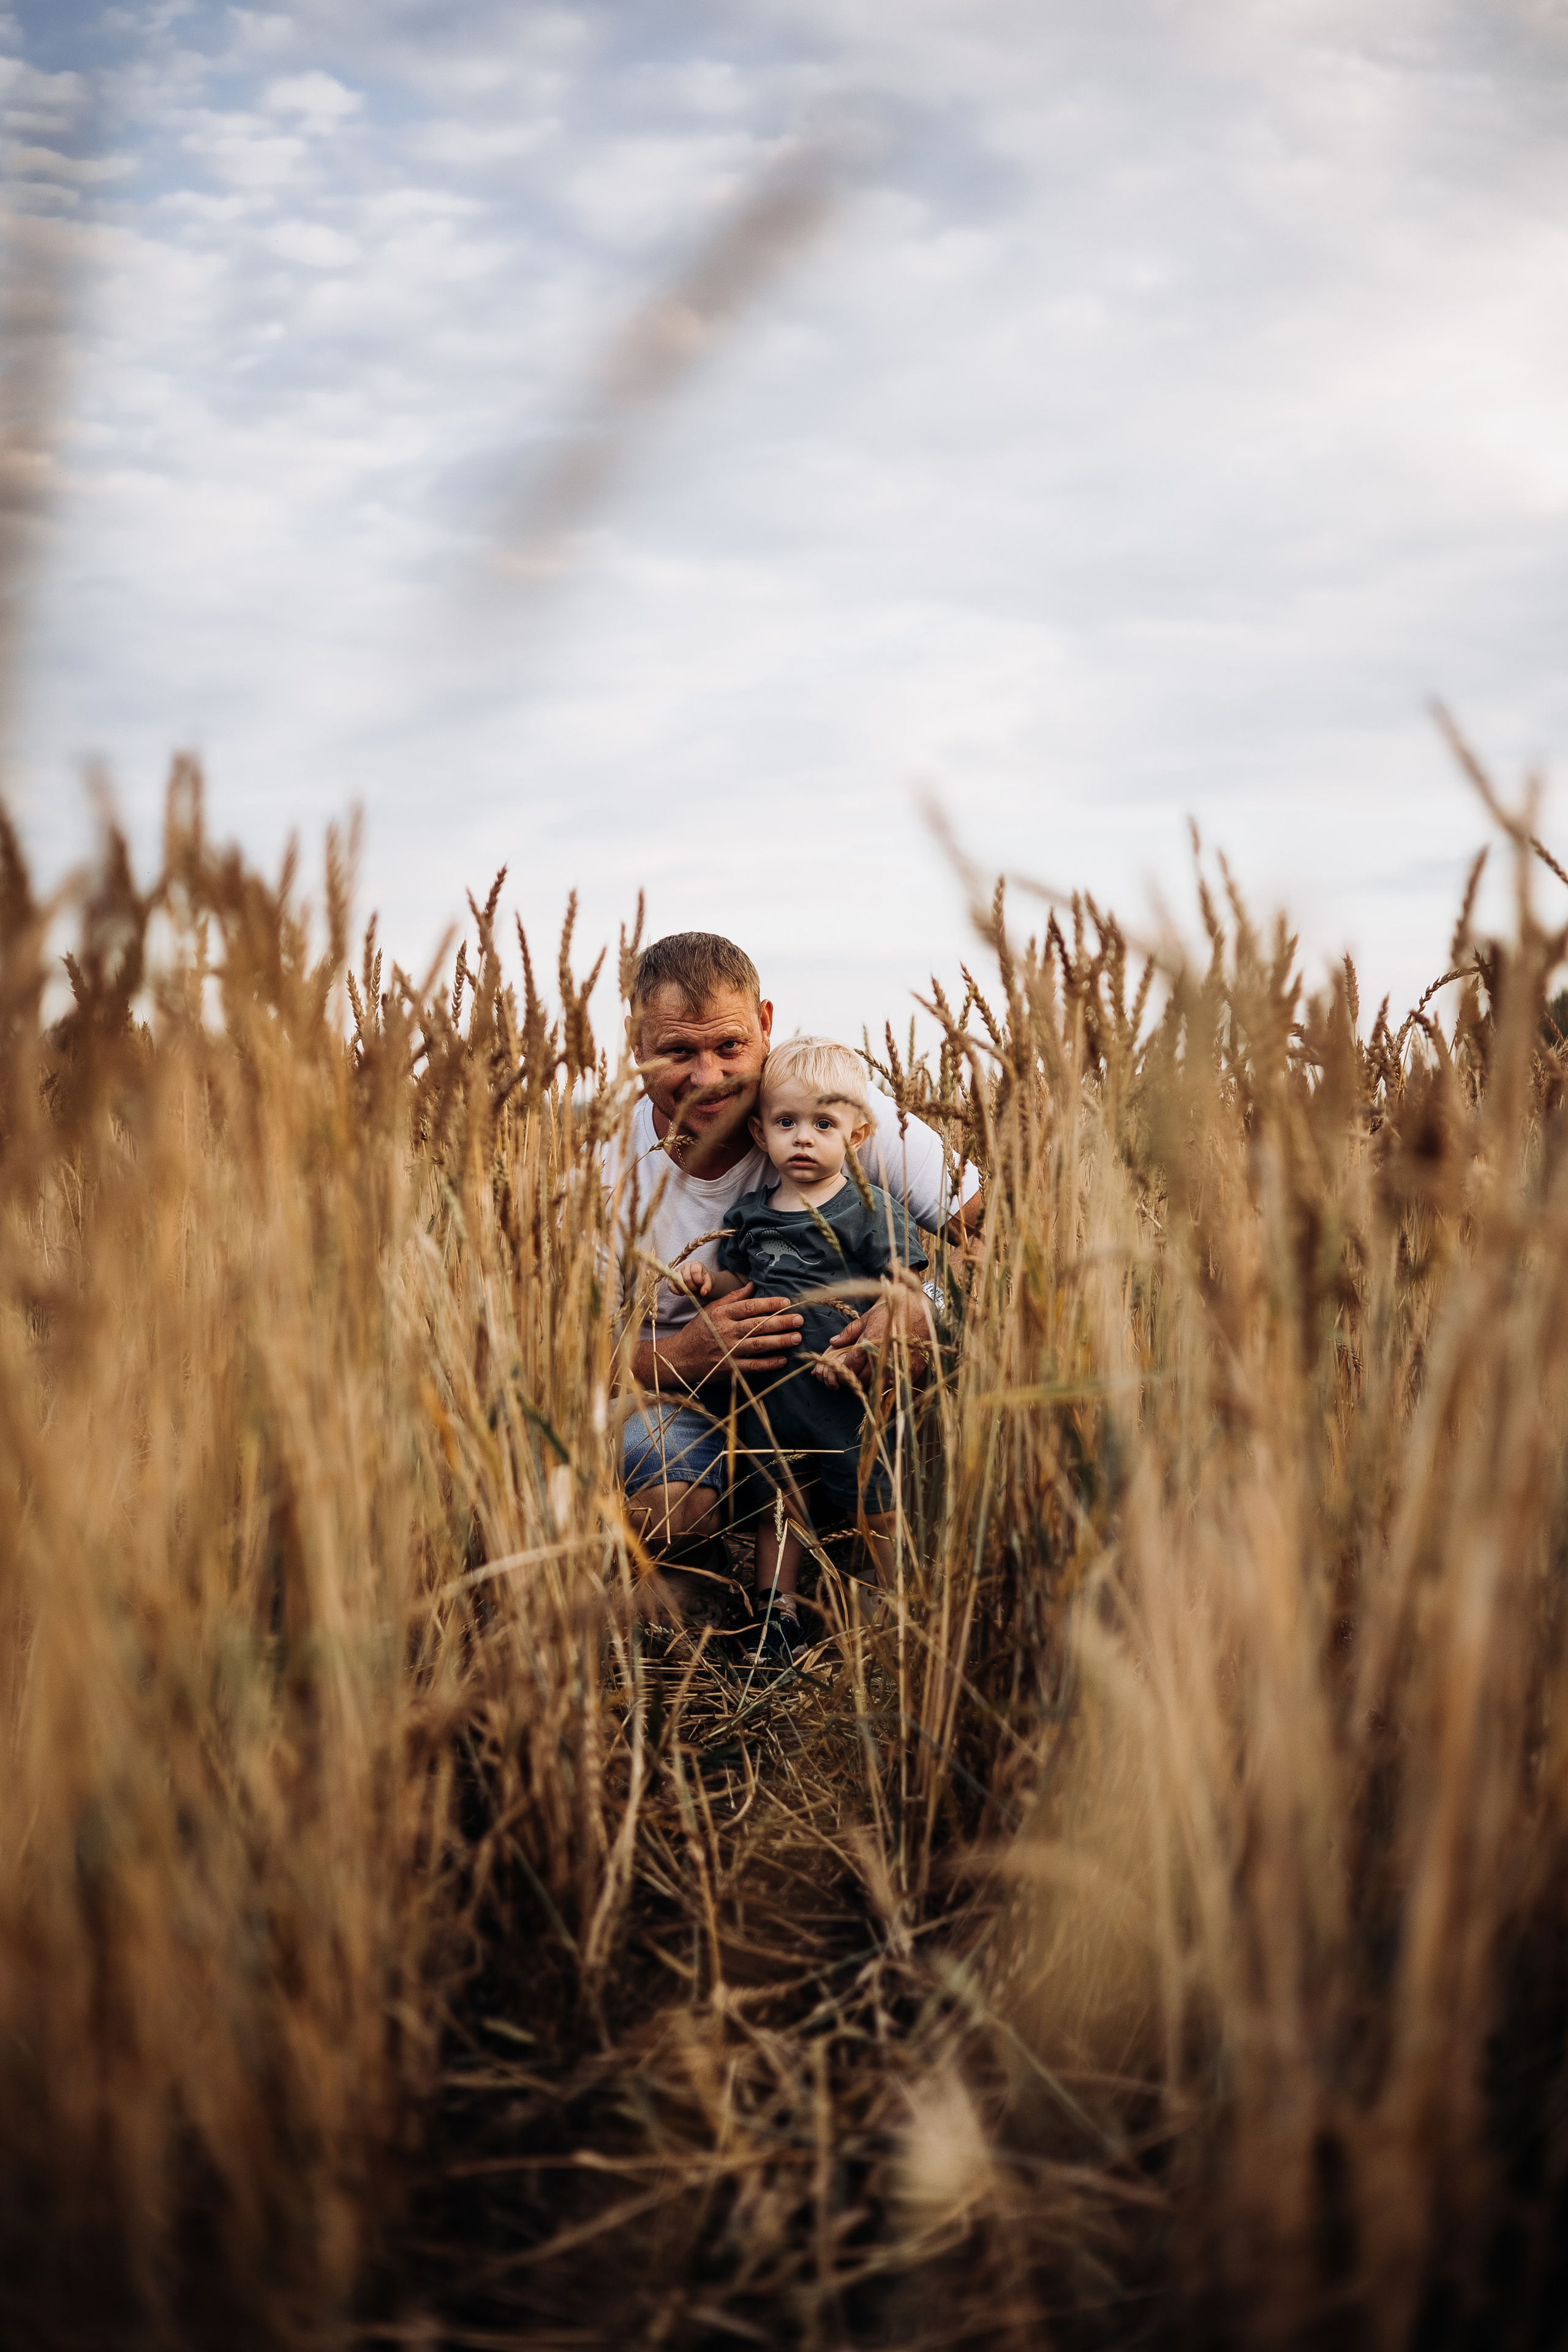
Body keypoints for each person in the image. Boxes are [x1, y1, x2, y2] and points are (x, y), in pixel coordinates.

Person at [603, 930, 979, 1573]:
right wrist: (677, 1358)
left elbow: (1010, 1235)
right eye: (677, 1052)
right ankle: (708, 1575)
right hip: (685, 1404)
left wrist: (924, 1308)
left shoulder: (832, 1112)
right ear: (635, 1044)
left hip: (839, 1393)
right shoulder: (598, 1171)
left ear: (765, 1023)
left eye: (729, 1046)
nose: (707, 1076)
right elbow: (556, 1357)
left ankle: (870, 1574)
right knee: (670, 1512)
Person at [666, 1036, 927, 1659]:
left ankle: (896, 1602)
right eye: (787, 1123)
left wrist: (892, 1321)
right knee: (776, 1511)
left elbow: (904, 1284)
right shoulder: (753, 1215)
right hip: (770, 1401)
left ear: (857, 1136)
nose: (803, 1138)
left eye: (823, 1124)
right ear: (760, 1134)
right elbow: (741, 1281)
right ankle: (775, 1616)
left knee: (874, 1503)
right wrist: (708, 1283)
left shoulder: (867, 1209)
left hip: (845, 1399)